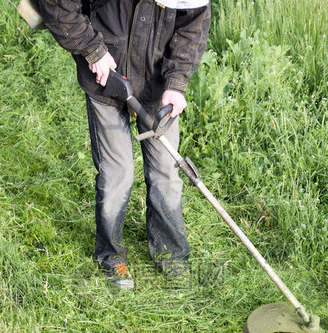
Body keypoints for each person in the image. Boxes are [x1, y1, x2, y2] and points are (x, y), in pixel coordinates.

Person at [35, 0, 211, 288]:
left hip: (158, 88)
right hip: (106, 76)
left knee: (166, 171)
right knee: (117, 173)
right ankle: (111, 255)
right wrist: (93, 50)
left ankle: (170, 254)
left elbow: (193, 25)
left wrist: (177, 83)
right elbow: (56, 5)